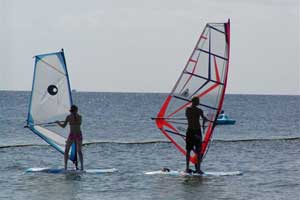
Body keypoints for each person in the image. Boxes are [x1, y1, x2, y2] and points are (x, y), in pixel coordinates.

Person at [56, 105, 83, 170]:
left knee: (73, 151)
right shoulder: (74, 117)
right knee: (72, 151)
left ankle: (79, 167)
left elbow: (64, 126)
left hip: (75, 135)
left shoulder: (74, 117)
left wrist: (58, 122)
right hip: (75, 135)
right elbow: (64, 125)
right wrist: (59, 122)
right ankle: (68, 167)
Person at [185, 97, 208, 174]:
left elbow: (188, 117)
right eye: (198, 101)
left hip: (190, 131)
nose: (199, 102)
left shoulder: (187, 109)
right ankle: (198, 169)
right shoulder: (199, 110)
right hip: (196, 132)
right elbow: (204, 119)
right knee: (198, 150)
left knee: (188, 150)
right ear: (194, 102)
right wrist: (205, 120)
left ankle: (187, 168)